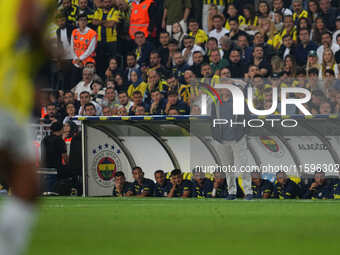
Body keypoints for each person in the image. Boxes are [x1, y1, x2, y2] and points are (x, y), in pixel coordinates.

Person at [0, 1, 51, 254]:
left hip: (13, 97)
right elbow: (28, 21)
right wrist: (51, 56)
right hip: (4, 95)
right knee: (26, 185)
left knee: (27, 186)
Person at [92, 0, 121, 77]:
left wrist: (100, 22)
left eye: (109, 2)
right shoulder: (98, 11)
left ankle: (111, 78)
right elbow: (94, 22)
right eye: (105, 2)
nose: (107, 4)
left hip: (111, 41)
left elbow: (111, 24)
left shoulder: (115, 11)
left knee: (112, 62)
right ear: (102, 3)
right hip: (100, 40)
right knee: (100, 62)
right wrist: (106, 22)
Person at [70, 14, 97, 85]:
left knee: (87, 83)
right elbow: (72, 47)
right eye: (81, 20)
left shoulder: (92, 33)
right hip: (76, 62)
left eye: (84, 20)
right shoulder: (74, 32)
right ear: (78, 22)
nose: (82, 22)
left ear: (87, 22)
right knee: (74, 83)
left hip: (88, 63)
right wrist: (76, 59)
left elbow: (90, 49)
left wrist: (80, 59)